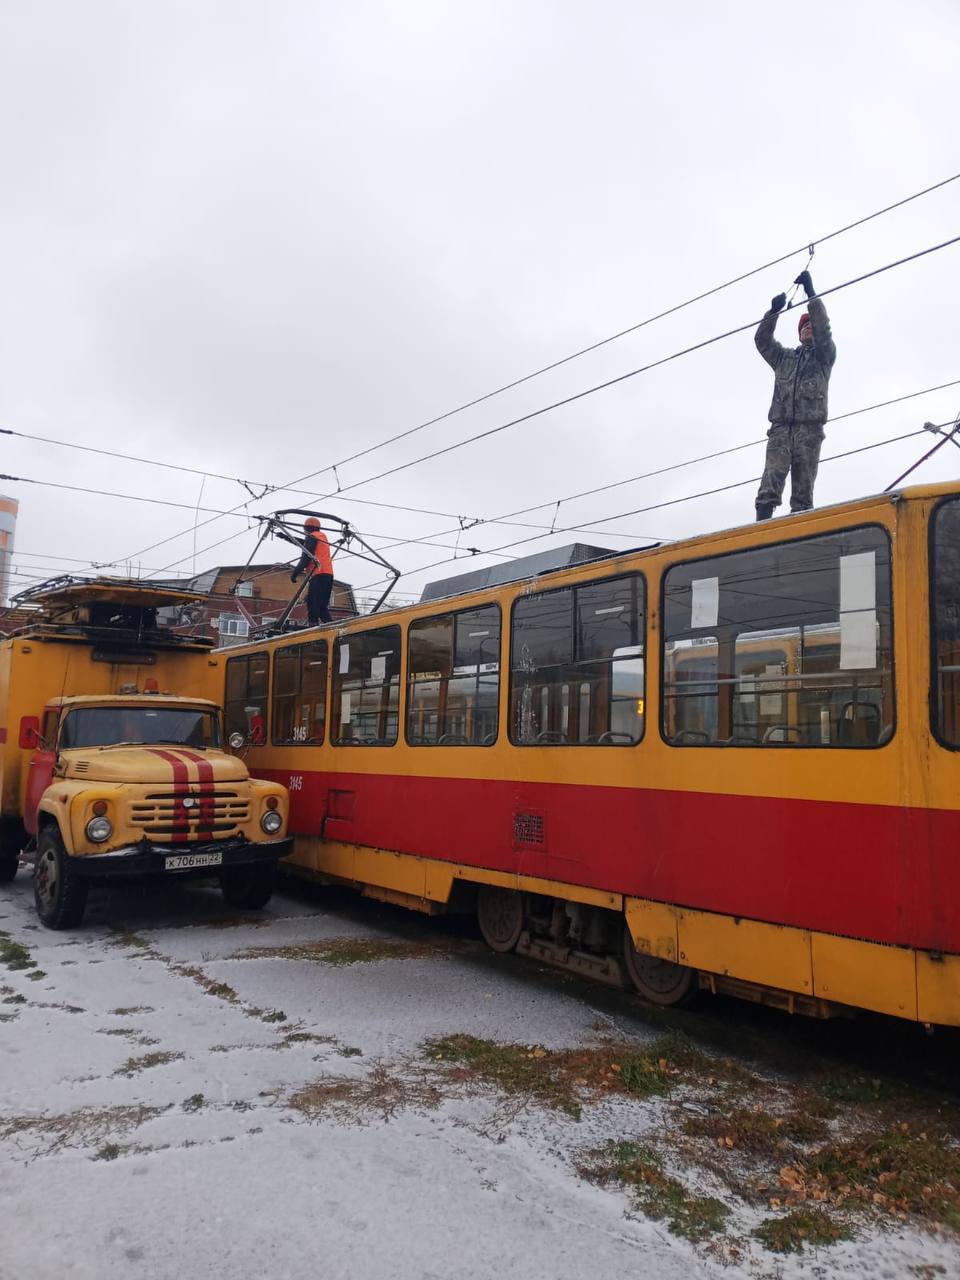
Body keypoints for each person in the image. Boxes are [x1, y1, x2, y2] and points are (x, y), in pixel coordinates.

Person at [754, 269, 837, 521]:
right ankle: (759, 532)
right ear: (799, 333)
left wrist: (811, 293)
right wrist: (773, 313)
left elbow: (824, 330)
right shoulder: (784, 358)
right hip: (780, 430)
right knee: (770, 483)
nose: (809, 328)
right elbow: (762, 341)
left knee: (803, 493)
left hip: (809, 431)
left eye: (811, 324)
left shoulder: (824, 356)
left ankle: (798, 532)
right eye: (805, 326)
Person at [291, 516, 334, 626]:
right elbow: (303, 543)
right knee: (322, 606)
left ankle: (312, 625)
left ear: (307, 528)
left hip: (318, 574)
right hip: (328, 575)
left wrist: (295, 573)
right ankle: (331, 625)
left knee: (312, 602)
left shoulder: (312, 537)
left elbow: (305, 558)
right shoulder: (322, 537)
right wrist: (287, 537)